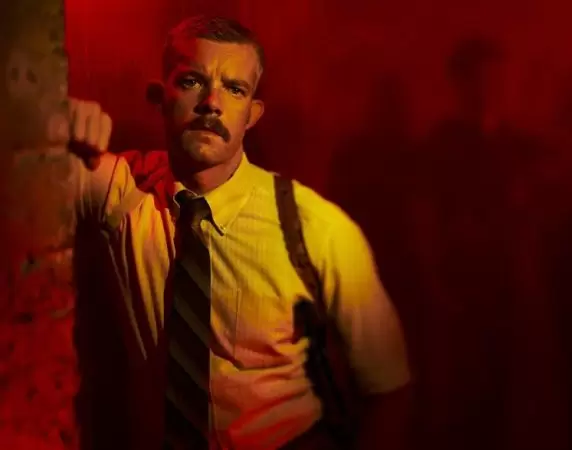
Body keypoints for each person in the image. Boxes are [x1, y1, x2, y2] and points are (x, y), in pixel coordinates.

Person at [68, 15, 411, 450]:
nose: (212, 102)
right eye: (192, 81)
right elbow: (21, 169)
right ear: (159, 95)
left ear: (253, 114)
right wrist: (56, 120)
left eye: (234, 89)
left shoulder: (314, 228)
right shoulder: (121, 189)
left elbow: (387, 388)